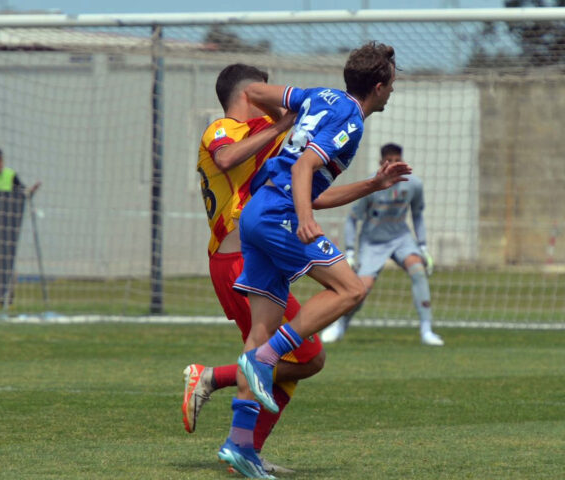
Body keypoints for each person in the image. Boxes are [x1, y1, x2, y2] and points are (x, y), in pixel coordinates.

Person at [218, 42, 411, 478]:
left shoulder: (319, 96)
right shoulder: (349, 119)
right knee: (351, 288)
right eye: (392, 86)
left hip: (256, 211)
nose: (392, 93)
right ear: (378, 87)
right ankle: (266, 359)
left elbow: (255, 94)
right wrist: (304, 219)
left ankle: (239, 446)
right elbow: (305, 168)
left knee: (260, 328)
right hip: (282, 214)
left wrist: (372, 185)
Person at [183, 64, 326, 475]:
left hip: (255, 258)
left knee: (294, 363)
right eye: (265, 90)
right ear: (250, 94)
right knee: (303, 356)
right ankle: (210, 378)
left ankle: (246, 451)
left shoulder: (267, 131)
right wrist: (280, 123)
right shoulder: (221, 129)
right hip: (236, 262)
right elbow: (227, 158)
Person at [319, 143, 443, 346]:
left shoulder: (413, 184)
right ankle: (340, 325)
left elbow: (417, 215)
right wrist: (350, 251)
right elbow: (352, 219)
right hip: (373, 242)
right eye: (389, 161)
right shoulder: (371, 185)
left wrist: (423, 247)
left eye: (397, 160)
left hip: (401, 238)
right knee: (361, 288)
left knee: (418, 270)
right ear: (381, 163)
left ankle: (426, 330)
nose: (394, 165)